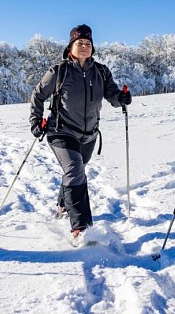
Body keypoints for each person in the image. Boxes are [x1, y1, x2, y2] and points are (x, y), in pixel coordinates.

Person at [29, 24, 131, 240]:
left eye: (88, 43)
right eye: (79, 43)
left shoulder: (101, 71)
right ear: (71, 47)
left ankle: (63, 205)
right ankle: (81, 228)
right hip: (61, 131)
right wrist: (36, 120)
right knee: (75, 169)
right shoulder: (59, 72)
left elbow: (112, 94)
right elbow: (38, 96)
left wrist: (120, 99)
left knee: (75, 170)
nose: (84, 47)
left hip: (89, 135)